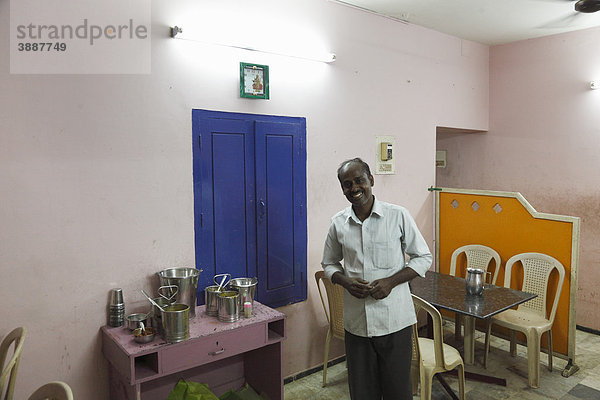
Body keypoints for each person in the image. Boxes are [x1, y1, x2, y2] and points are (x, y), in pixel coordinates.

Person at [321, 157, 432, 400]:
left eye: (359, 180)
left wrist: (391, 281)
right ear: (342, 189)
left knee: (398, 391)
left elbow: (423, 257)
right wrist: (344, 281)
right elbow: (328, 263)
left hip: (395, 321)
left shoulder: (397, 216)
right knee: (362, 392)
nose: (354, 188)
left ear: (371, 180)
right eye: (347, 184)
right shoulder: (338, 223)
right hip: (357, 324)